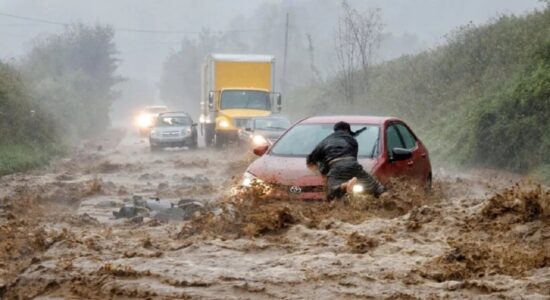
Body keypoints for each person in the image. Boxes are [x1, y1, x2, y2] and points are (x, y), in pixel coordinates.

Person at [306, 121, 386, 200]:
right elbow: (354, 160)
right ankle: (388, 200)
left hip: (336, 167)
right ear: (347, 130)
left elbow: (310, 161)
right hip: (353, 165)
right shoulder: (352, 140)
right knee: (377, 187)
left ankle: (345, 185)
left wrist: (320, 174)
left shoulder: (324, 142)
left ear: (335, 130)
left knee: (332, 192)